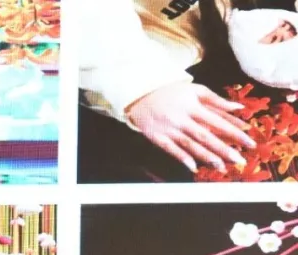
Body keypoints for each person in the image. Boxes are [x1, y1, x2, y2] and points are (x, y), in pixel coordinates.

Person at [78, 0, 262, 181]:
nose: (278, 30)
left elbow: (79, 50)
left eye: (274, 40)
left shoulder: (184, 47)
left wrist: (143, 87)